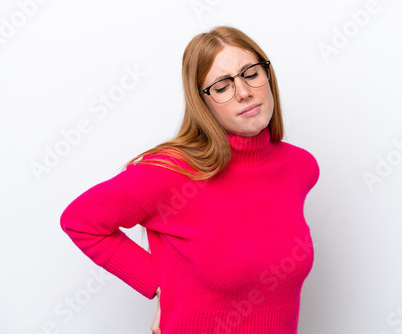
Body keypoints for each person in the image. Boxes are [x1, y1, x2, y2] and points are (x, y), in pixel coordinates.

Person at [60, 25, 320, 334]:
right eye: (222, 87)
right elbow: (80, 221)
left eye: (251, 73)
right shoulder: (172, 173)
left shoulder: (300, 167)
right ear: (203, 103)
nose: (244, 92)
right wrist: (161, 287)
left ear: (268, 75)